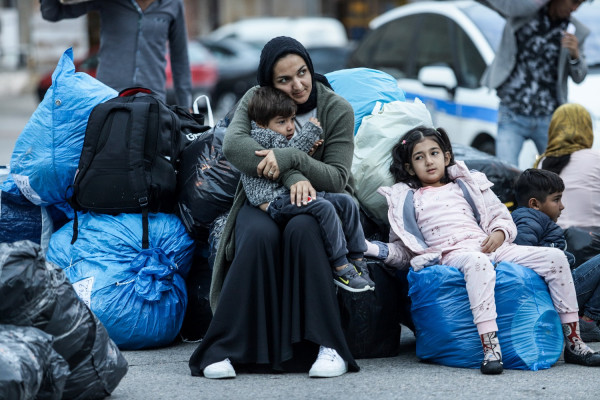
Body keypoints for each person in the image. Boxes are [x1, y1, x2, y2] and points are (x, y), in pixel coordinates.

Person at [364, 126, 600, 375]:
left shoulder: (467, 184)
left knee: (556, 258)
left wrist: (499, 233)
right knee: (477, 263)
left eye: (434, 153)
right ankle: (490, 349)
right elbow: (404, 250)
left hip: (489, 245)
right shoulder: (407, 199)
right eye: (419, 157)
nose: (429, 161)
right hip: (452, 255)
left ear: (446, 157)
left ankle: (574, 342)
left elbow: (501, 216)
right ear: (410, 167)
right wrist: (372, 248)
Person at [189, 36, 359, 379]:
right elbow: (235, 147)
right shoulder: (256, 99)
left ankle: (327, 346)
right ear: (270, 82)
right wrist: (295, 175)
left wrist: (289, 158)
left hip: (316, 201)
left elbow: (337, 178)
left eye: (302, 73)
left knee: (305, 232)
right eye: (284, 79)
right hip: (262, 196)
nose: (297, 85)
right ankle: (224, 348)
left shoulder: (336, 109)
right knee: (257, 236)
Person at [243, 86, 373, 292]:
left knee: (347, 201)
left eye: (292, 120)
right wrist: (311, 131)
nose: (290, 127)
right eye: (282, 122)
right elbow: (290, 153)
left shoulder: (277, 136)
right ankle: (341, 267)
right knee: (324, 207)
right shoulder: (260, 137)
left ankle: (358, 258)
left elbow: (291, 158)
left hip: (289, 192)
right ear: (262, 123)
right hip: (274, 201)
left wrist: (307, 152)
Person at [478, 0, 590, 167]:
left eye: (579, 5)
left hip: (548, 117)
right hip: (512, 112)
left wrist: (575, 55)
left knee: (554, 175)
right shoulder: (521, 13)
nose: (574, 9)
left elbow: (579, 77)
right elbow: (494, 3)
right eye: (573, 2)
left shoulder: (576, 32)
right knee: (506, 171)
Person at [40, 0, 192, 107]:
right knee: (109, 152)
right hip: (109, 97)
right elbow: (52, 13)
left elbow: (180, 58)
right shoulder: (109, 2)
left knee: (149, 152)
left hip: (153, 100)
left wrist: (186, 106)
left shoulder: (173, 4)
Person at [512, 168, 600, 342]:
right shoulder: (528, 220)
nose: (562, 206)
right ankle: (587, 321)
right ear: (535, 204)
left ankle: (588, 318)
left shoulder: (536, 220)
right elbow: (522, 258)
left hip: (557, 288)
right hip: (553, 292)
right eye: (556, 200)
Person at [534, 103, 600, 229]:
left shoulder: (542, 163)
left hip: (555, 240)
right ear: (587, 128)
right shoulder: (596, 158)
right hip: (593, 240)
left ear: (554, 129)